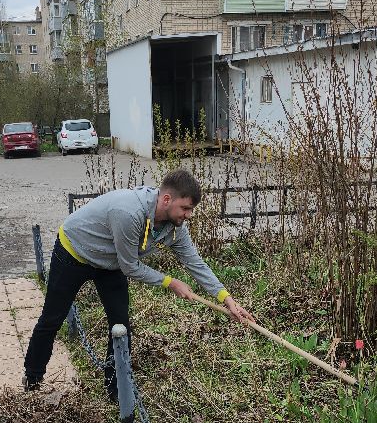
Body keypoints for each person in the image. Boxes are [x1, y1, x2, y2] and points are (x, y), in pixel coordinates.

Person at [23, 169, 254, 397]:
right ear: (166, 199)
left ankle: (116, 390)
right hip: (74, 252)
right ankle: (33, 377)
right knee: (53, 318)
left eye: (191, 210)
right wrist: (170, 282)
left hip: (110, 264)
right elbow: (130, 267)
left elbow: (196, 264)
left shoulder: (175, 229)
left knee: (120, 326)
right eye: (185, 208)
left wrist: (227, 300)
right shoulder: (129, 212)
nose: (189, 215)